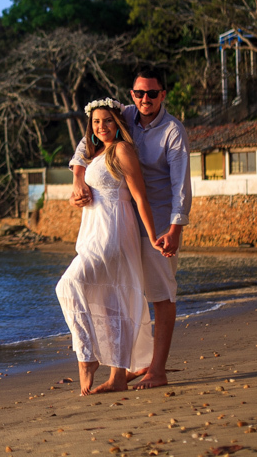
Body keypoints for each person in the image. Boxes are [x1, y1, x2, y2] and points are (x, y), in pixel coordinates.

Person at [69, 68, 192, 389]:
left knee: (160, 293)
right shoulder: (123, 113)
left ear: (163, 94)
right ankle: (122, 370)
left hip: (159, 221)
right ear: (132, 94)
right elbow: (88, 142)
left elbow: (181, 185)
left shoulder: (173, 132)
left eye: (152, 93)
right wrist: (78, 179)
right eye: (139, 93)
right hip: (118, 222)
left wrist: (175, 229)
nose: (145, 99)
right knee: (121, 292)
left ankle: (157, 370)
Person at [56, 98, 163, 394]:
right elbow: (87, 187)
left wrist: (153, 236)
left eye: (107, 121)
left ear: (118, 123)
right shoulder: (95, 152)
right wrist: (75, 195)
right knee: (110, 300)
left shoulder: (122, 149)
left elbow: (140, 196)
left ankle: (87, 357)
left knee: (68, 285)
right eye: (96, 122)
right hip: (93, 227)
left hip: (114, 229)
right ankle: (117, 376)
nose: (101, 126)